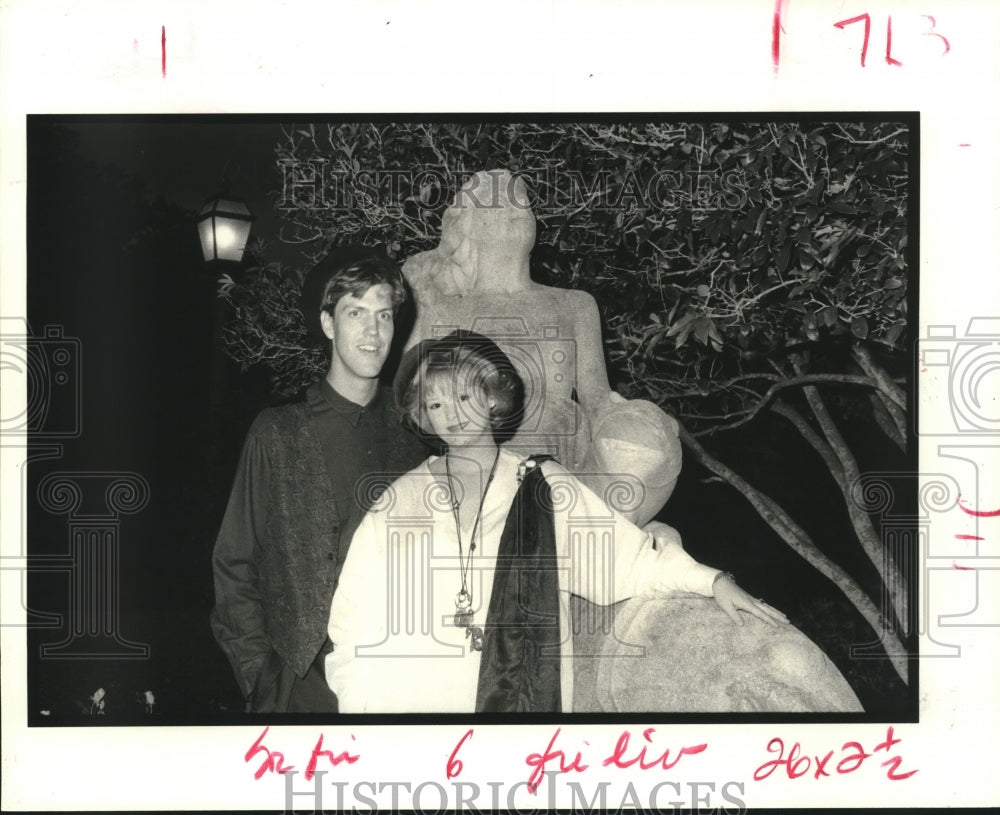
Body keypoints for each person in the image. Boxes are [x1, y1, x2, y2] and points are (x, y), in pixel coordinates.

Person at [325, 330, 788, 713]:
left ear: (492, 397)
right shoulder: (396, 500)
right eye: (436, 404)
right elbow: (352, 619)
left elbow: (625, 560)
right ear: (422, 416)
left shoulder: (543, 485)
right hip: (408, 709)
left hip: (515, 706)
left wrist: (712, 581)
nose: (453, 415)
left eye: (464, 395)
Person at [210, 245, 426, 713]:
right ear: (328, 324)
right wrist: (261, 679)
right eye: (356, 313)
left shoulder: (418, 434)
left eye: (384, 315)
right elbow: (234, 563)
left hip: (398, 679)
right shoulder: (278, 432)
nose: (373, 331)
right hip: (301, 684)